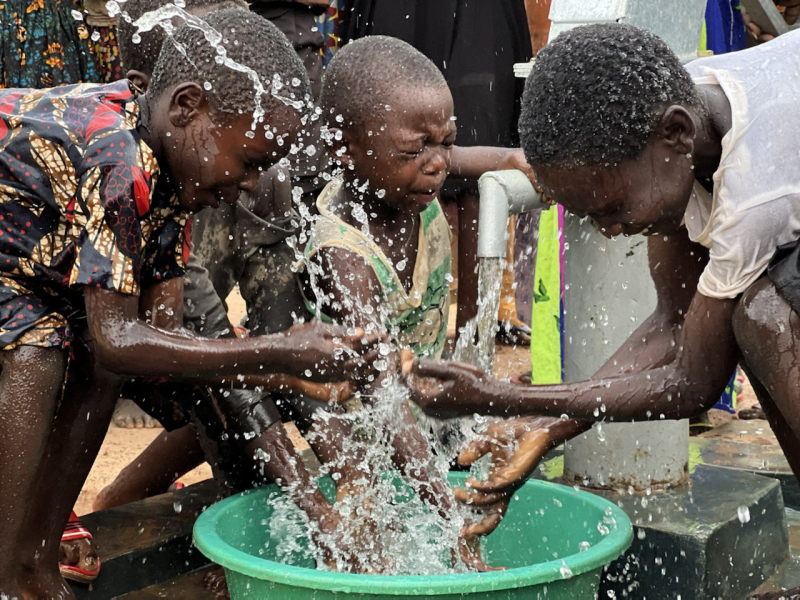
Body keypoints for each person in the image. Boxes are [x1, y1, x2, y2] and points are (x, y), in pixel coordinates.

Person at [0, 10, 380, 598]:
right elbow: (119, 338)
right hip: (15, 282)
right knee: (43, 351)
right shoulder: (118, 161)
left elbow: (162, 335)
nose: (253, 185)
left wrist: (278, 371)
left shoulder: (172, 177)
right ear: (187, 108)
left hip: (23, 272)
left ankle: (35, 560)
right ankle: (9, 569)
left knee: (100, 365)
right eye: (251, 162)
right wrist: (277, 351)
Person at [405, 22, 800, 565]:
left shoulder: (756, 194)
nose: (611, 230)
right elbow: (674, 321)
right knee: (741, 313)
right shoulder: (668, 115)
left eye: (612, 210)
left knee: (766, 320)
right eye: (590, 217)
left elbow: (692, 384)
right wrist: (547, 427)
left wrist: (501, 398)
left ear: (676, 135)